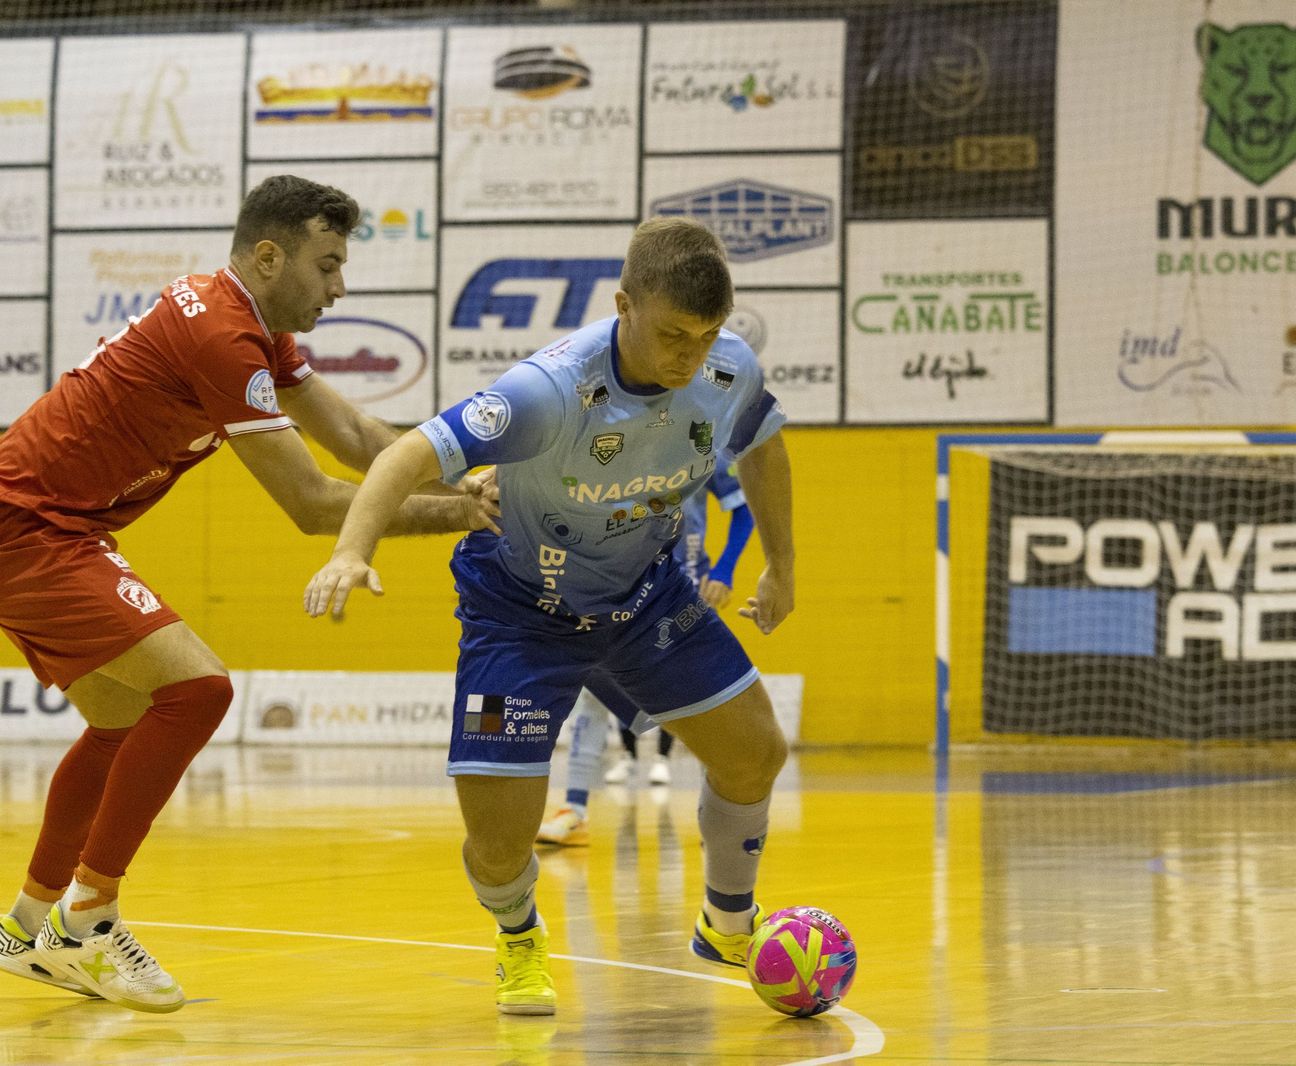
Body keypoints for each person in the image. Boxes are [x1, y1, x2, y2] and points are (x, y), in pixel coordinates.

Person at [0, 175, 500, 1014]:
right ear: (268, 257)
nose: (340, 287)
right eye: (327, 265)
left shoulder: (249, 330)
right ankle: (88, 922)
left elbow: (360, 440)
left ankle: (25, 929)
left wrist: (468, 472)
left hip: (47, 528)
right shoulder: (223, 339)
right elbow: (311, 504)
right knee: (198, 690)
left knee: (120, 718)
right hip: (30, 529)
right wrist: (464, 517)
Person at [304, 216, 793, 1017]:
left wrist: (784, 564)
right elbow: (404, 455)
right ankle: (520, 936)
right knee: (498, 843)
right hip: (521, 613)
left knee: (755, 753)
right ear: (623, 305)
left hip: (647, 596)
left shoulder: (726, 368)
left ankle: (728, 923)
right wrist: (352, 551)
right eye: (673, 334)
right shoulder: (549, 391)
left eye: (706, 337)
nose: (690, 356)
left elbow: (764, 442)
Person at [537, 453, 753, 847]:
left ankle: (720, 813)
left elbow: (744, 511)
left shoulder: (704, 448)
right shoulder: (608, 443)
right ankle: (575, 811)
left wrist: (723, 570)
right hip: (614, 591)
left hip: (677, 592)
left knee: (704, 702)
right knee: (592, 695)